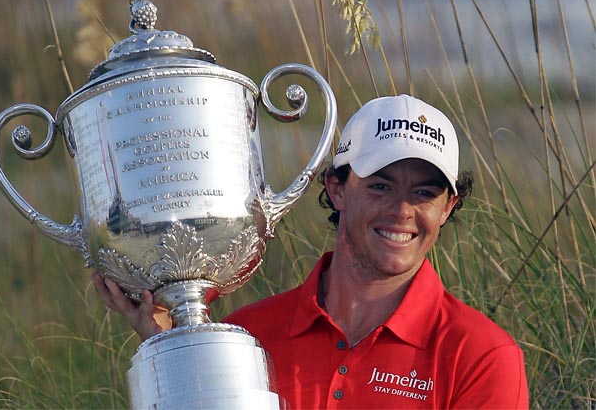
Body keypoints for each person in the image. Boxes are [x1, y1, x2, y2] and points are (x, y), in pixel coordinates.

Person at [93, 94, 529, 409]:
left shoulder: (481, 356)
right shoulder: (247, 337)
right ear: (337, 189)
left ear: (448, 207)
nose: (402, 211)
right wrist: (175, 351)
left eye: (425, 193)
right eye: (380, 185)